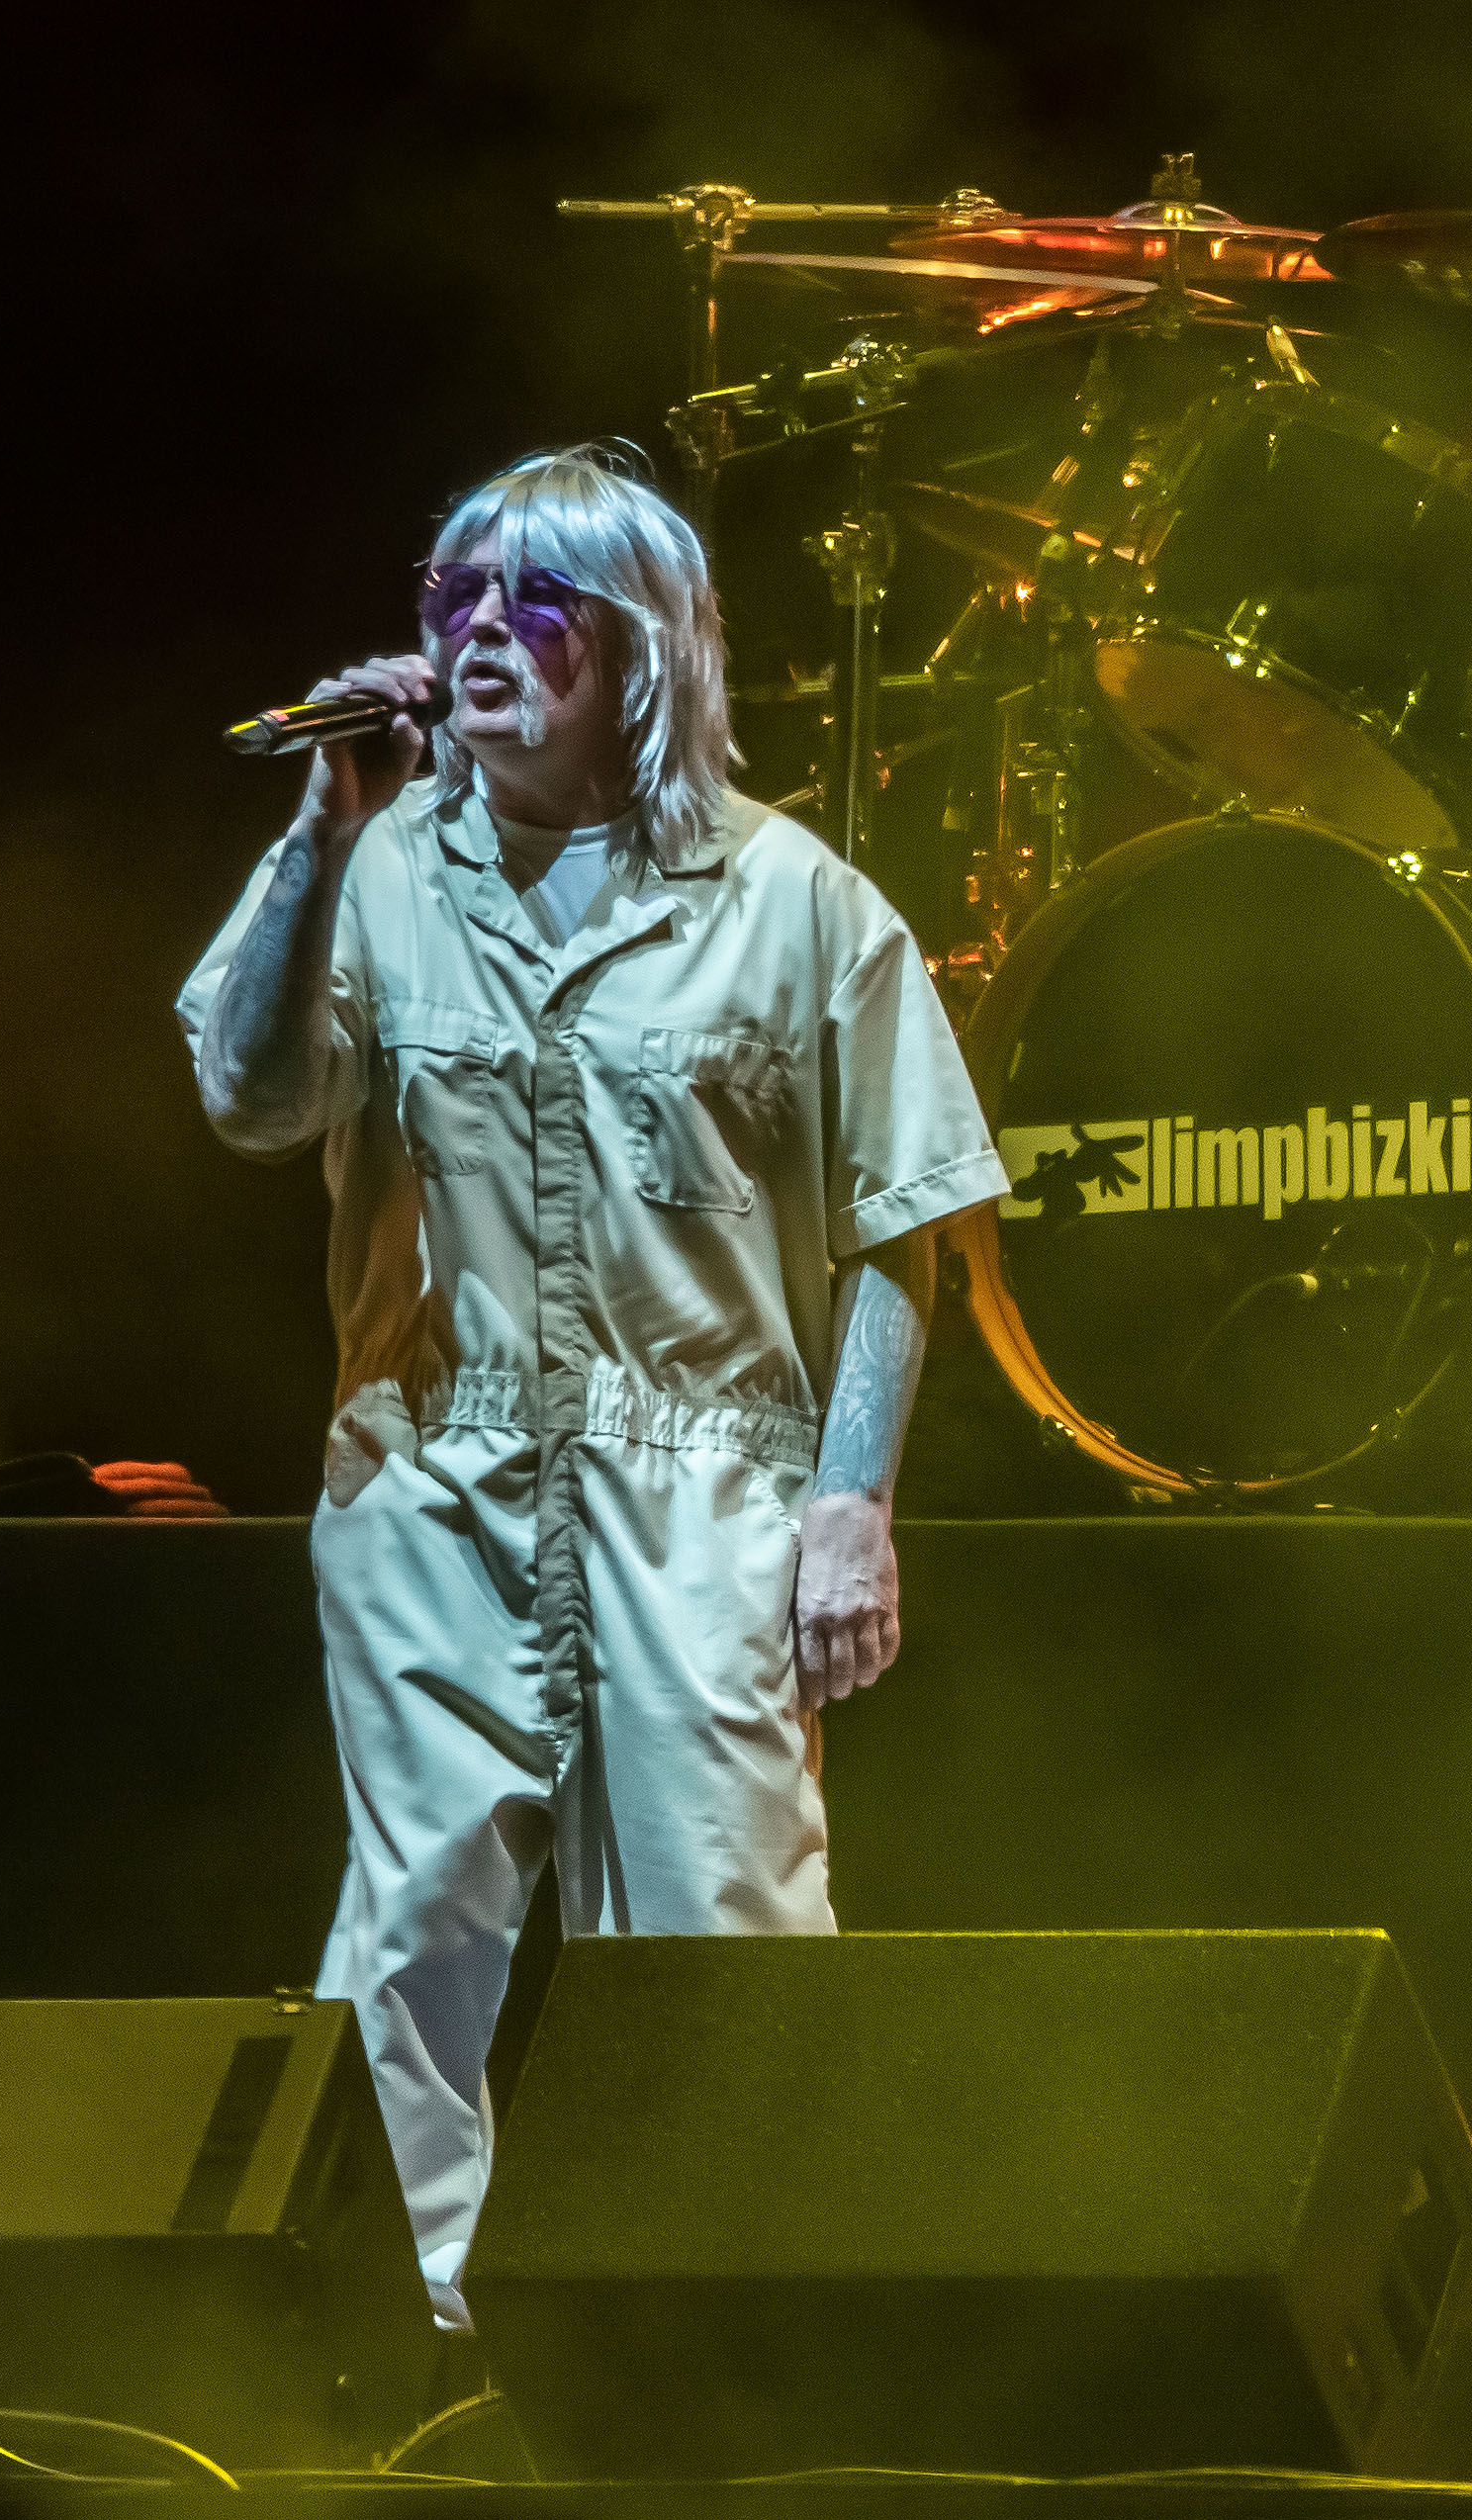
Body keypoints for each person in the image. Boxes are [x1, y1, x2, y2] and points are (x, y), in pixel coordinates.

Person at [175, 446, 1006, 2326]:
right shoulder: (375, 866)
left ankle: (738, 2338)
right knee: (412, 1939)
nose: (479, 629)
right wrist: (321, 830)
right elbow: (250, 1100)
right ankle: (415, 2356)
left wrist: (850, 1505)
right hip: (427, 1473)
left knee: (719, 1926)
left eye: (534, 599)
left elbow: (904, 1227)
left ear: (645, 646)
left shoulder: (793, 900)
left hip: (701, 1484)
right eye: (451, 594)